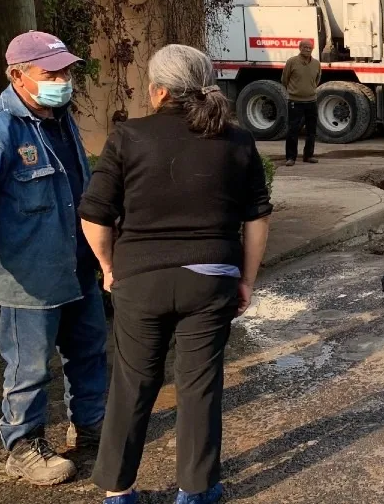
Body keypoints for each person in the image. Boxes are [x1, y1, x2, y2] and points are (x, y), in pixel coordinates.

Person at [79, 44, 272, 504]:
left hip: (140, 280)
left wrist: (109, 268)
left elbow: (95, 215)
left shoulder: (128, 137)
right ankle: (196, 490)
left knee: (132, 385)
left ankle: (118, 491)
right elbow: (258, 218)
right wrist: (245, 279)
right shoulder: (238, 141)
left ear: (159, 91)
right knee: (199, 385)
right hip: (211, 279)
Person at [0, 31, 107, 486]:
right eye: (51, 73)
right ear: (18, 76)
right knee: (29, 364)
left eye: (66, 71)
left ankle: (92, 431)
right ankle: (23, 446)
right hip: (27, 276)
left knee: (90, 351)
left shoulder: (60, 120)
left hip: (77, 263)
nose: (62, 80)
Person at [280, 39, 321, 167]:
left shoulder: (316, 63)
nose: (307, 50)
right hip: (295, 101)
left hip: (311, 101)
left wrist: (309, 90)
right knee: (293, 129)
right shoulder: (292, 62)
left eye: (310, 48)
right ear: (300, 48)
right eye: (305, 47)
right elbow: (284, 79)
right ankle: (291, 157)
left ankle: (308, 155)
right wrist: (295, 91)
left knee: (311, 130)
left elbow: (317, 79)